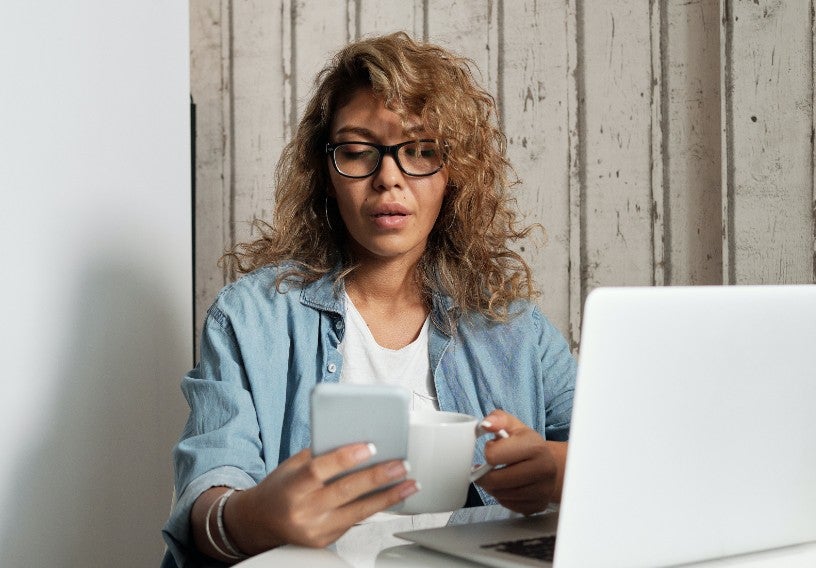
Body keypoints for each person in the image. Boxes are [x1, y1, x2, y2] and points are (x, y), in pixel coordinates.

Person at [162, 31, 576, 567]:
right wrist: (257, 516)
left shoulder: (513, 328)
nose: (388, 178)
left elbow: (619, 459)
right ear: (326, 174)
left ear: (455, 175)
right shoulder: (251, 318)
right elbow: (207, 497)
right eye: (357, 152)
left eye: (421, 152)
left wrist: (551, 469)